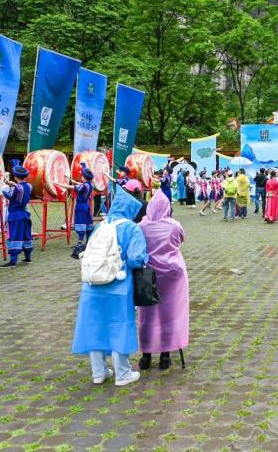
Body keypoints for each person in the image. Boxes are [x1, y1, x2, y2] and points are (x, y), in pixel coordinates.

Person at [71, 184, 148, 387]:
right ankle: (122, 373)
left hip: (91, 285)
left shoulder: (101, 226)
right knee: (119, 325)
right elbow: (135, 259)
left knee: (95, 325)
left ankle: (99, 372)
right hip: (119, 285)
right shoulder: (132, 228)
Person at [138, 191, 189, 371]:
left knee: (147, 315)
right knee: (170, 314)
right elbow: (180, 240)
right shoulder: (174, 226)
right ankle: (165, 355)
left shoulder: (142, 226)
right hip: (171, 274)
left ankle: (145, 356)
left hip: (148, 275)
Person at [0, 159, 33, 268]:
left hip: (15, 215)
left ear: (15, 176)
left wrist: (3, 186)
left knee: (14, 235)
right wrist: (13, 184)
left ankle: (13, 261)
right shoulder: (29, 186)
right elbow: (20, 188)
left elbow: (8, 194)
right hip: (24, 213)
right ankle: (28, 257)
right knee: (25, 235)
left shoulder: (17, 188)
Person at [68, 164, 96, 259]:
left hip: (80, 206)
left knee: (80, 223)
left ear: (84, 177)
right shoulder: (91, 184)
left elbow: (74, 188)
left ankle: (80, 243)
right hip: (86, 206)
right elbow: (82, 185)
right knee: (88, 224)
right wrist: (75, 182)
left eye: (82, 176)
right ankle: (88, 242)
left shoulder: (83, 186)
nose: (81, 177)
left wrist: (59, 184)